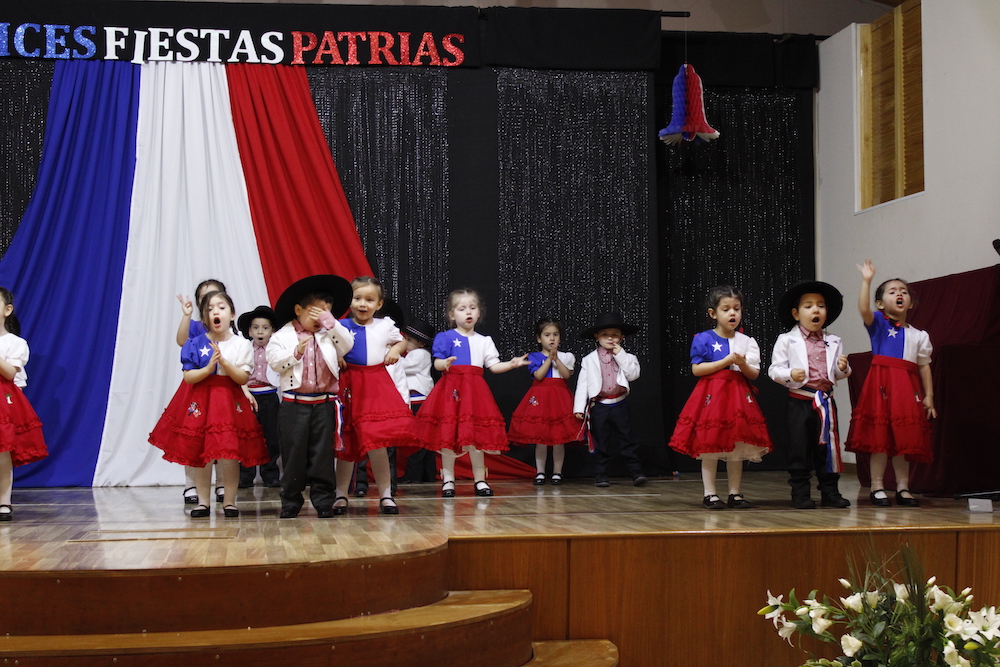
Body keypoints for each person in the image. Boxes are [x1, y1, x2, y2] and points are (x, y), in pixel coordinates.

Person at [149, 291, 268, 518]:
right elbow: (188, 377)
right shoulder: (195, 343)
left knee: (229, 456)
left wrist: (223, 361)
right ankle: (203, 502)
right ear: (204, 317)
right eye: (210, 309)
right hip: (202, 403)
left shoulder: (241, 344)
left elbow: (242, 377)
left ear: (232, 314)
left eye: (221, 307)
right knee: (201, 456)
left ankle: (229, 502)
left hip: (228, 404)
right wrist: (207, 368)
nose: (215, 312)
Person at [416, 288, 528, 498]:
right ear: (452, 314)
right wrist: (444, 363)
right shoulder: (446, 337)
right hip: (452, 391)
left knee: (476, 438)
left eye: (472, 307)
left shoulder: (484, 340)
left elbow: (493, 366)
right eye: (462, 308)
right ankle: (448, 480)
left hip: (475, 392)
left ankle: (480, 480)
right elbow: (437, 363)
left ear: (479, 312)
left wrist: (512, 364)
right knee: (449, 436)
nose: (468, 312)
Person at [668, 286, 772, 509]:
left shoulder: (747, 341)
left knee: (736, 447)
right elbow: (697, 369)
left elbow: (753, 374)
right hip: (713, 397)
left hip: (738, 398)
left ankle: (735, 493)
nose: (732, 313)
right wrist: (725, 362)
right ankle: (710, 493)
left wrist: (742, 364)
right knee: (710, 445)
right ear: (713, 313)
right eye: (726, 309)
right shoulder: (704, 338)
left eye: (737, 309)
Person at [846, 260, 935, 507]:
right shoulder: (879, 324)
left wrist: (929, 396)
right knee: (880, 439)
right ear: (880, 304)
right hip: (882, 387)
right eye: (893, 291)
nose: (899, 294)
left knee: (903, 441)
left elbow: (924, 366)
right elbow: (863, 309)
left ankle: (903, 488)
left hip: (907, 389)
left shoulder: (920, 336)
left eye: (904, 291)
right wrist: (866, 280)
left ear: (911, 303)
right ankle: (877, 487)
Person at [266, 275, 354, 519]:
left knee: (322, 455)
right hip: (294, 405)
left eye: (326, 312)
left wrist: (331, 323)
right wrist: (296, 352)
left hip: (324, 404)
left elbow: (347, 345)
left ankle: (324, 500)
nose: (320, 318)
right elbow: (274, 362)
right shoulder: (282, 335)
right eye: (316, 312)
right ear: (298, 310)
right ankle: (291, 501)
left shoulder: (330, 333)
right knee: (293, 455)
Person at [768, 281, 852, 509]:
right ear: (796, 314)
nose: (816, 310)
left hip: (825, 402)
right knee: (799, 448)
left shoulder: (833, 340)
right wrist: (790, 374)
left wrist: (843, 367)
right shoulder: (787, 340)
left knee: (828, 447)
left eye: (821, 306)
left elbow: (837, 373)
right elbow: (774, 370)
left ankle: (830, 492)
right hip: (800, 401)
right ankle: (800, 493)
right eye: (808, 306)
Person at [336, 277, 414, 515]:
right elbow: (330, 347)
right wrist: (336, 356)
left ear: (379, 304)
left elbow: (402, 343)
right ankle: (340, 495)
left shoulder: (385, 325)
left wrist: (395, 349)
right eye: (358, 298)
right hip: (350, 386)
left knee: (378, 444)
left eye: (369, 300)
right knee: (347, 445)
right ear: (350, 301)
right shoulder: (341, 325)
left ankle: (386, 495)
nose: (363, 304)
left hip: (376, 386)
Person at [573, 312, 646, 487]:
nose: (610, 338)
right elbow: (582, 384)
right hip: (600, 406)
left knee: (627, 439)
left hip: (619, 403)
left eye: (614, 335)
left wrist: (620, 355)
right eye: (605, 334)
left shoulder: (628, 357)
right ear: (597, 336)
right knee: (601, 441)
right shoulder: (589, 360)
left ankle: (635, 471)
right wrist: (579, 408)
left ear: (622, 337)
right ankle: (601, 473)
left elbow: (633, 375)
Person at [508, 317, 581, 485]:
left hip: (559, 398)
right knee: (540, 438)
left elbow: (566, 375)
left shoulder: (567, 356)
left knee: (558, 439)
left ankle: (557, 472)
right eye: (547, 335)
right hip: (541, 398)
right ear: (539, 338)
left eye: (556, 334)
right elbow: (539, 375)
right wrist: (549, 359)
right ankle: (540, 472)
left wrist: (556, 359)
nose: (552, 338)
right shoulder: (534, 357)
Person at [175, 278, 227, 506]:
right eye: (204, 298)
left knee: (222, 436)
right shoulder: (195, 327)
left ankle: (222, 483)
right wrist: (186, 316)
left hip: (222, 390)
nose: (210, 301)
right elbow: (181, 341)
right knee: (193, 438)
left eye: (215, 295)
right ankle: (191, 485)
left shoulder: (227, 327)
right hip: (196, 390)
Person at [0, 288, 46, 522]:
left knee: (2, 454)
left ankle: (4, 501)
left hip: (4, 403)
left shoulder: (15, 343)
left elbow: (9, 373)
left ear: (7, 310)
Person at [237, 306, 281, 489]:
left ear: (272, 331)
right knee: (247, 436)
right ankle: (245, 475)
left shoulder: (276, 350)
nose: (260, 332)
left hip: (269, 396)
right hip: (248, 396)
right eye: (255, 328)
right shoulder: (244, 349)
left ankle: (270, 474)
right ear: (249, 331)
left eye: (265, 327)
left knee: (271, 437)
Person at [398, 318, 437, 483]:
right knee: (423, 440)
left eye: (408, 340)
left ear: (421, 343)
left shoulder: (420, 354)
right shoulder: (416, 353)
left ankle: (414, 476)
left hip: (419, 401)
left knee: (418, 440)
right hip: (417, 401)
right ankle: (427, 475)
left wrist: (392, 353)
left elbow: (404, 366)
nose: (404, 343)